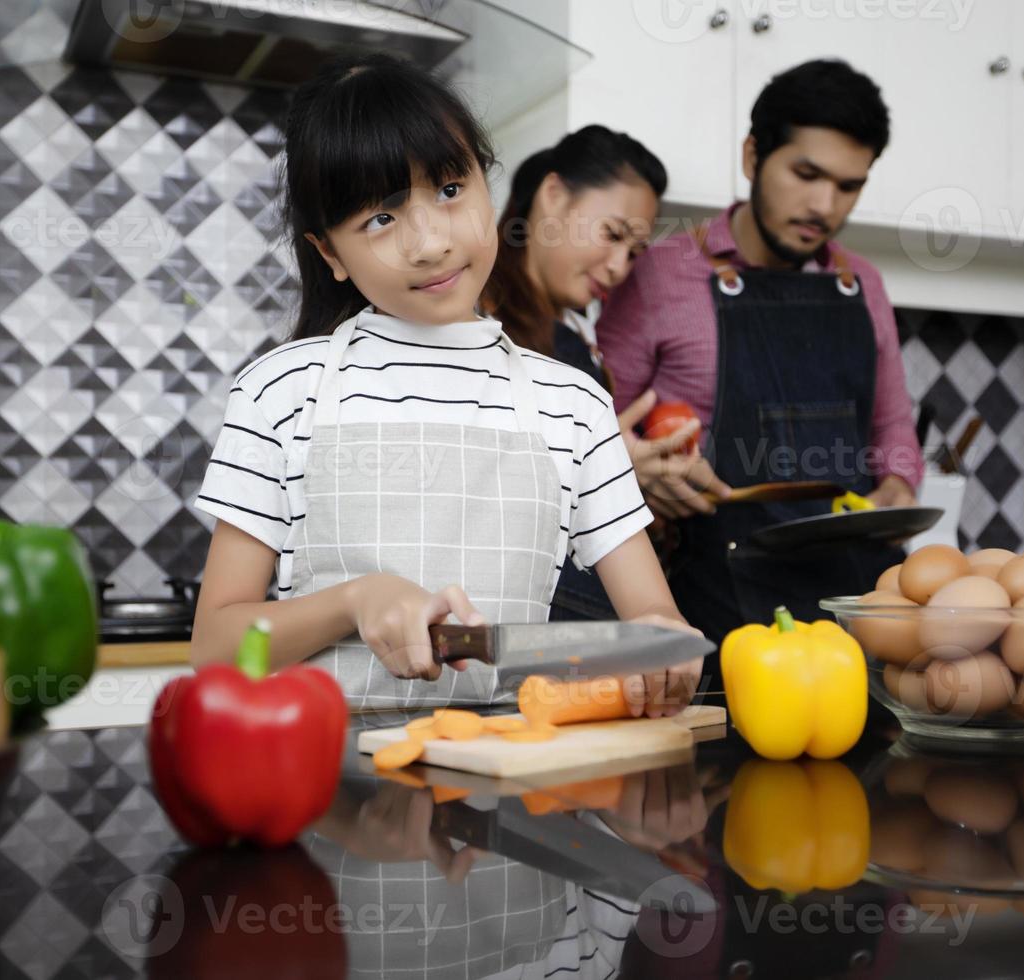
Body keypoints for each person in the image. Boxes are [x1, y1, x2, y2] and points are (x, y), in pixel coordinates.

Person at [190, 54, 701, 714]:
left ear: (486, 187)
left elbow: (652, 618)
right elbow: (216, 646)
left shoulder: (574, 407)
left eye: (450, 191)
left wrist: (664, 646)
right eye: (380, 218)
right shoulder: (278, 392)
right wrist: (355, 601)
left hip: (507, 788)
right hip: (320, 790)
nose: (429, 244)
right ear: (330, 255)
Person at [596, 59, 925, 677]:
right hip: (719, 605)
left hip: (856, 609)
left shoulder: (864, 285)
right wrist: (643, 474)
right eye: (806, 173)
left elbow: (893, 429)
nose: (824, 205)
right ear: (753, 157)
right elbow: (594, 432)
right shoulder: (658, 275)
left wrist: (898, 486)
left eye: (850, 186)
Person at [484, 126, 699, 622]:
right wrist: (612, 471)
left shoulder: (574, 338)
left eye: (635, 251)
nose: (621, 265)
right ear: (554, 196)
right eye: (613, 234)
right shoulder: (477, 319)